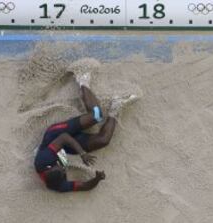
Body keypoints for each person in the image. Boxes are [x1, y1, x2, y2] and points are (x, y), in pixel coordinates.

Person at [34, 60, 138, 192]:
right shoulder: (58, 184)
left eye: (60, 167)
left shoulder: (43, 160)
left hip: (56, 136)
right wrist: (97, 179)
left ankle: (82, 77)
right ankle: (116, 106)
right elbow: (84, 186)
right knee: (103, 140)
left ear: (50, 168)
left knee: (96, 115)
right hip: (65, 149)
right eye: (63, 170)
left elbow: (64, 137)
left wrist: (82, 153)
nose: (63, 168)